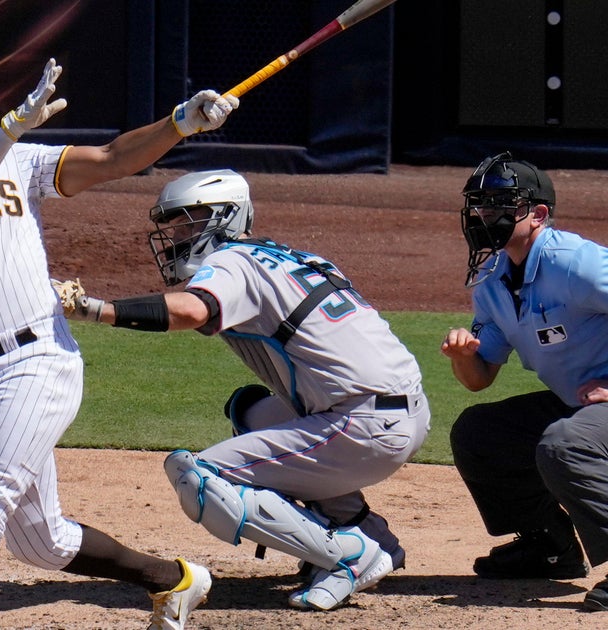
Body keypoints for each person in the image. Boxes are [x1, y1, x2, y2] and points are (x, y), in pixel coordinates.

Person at [0, 58, 239, 629]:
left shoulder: (17, 163)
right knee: (40, 542)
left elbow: (111, 160)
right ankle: (175, 580)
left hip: (37, 362)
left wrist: (179, 124)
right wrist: (8, 129)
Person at [57, 169, 430, 611]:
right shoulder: (290, 257)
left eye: (188, 222)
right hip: (397, 411)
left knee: (199, 477)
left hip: (361, 425)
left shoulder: (232, 261)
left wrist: (95, 310)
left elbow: (194, 311)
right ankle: (367, 532)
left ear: (224, 218)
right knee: (250, 410)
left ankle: (348, 556)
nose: (177, 236)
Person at [439, 151, 608, 611]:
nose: (483, 216)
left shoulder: (577, 264)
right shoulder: (493, 281)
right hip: (584, 405)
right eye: (479, 205)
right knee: (480, 433)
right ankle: (549, 546)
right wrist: (461, 356)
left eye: (497, 205)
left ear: (538, 215)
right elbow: (480, 379)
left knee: (565, 443)